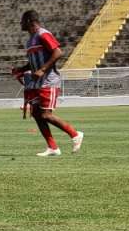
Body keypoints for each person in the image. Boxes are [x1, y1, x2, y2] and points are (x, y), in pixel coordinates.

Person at [13, 10, 83, 157]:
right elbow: (34, 62)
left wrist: (43, 70)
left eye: (22, 21)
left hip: (48, 81)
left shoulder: (43, 34)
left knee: (45, 114)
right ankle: (52, 147)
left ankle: (75, 134)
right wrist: (21, 69)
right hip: (37, 82)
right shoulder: (30, 40)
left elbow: (58, 52)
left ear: (29, 22)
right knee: (37, 114)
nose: (20, 24)